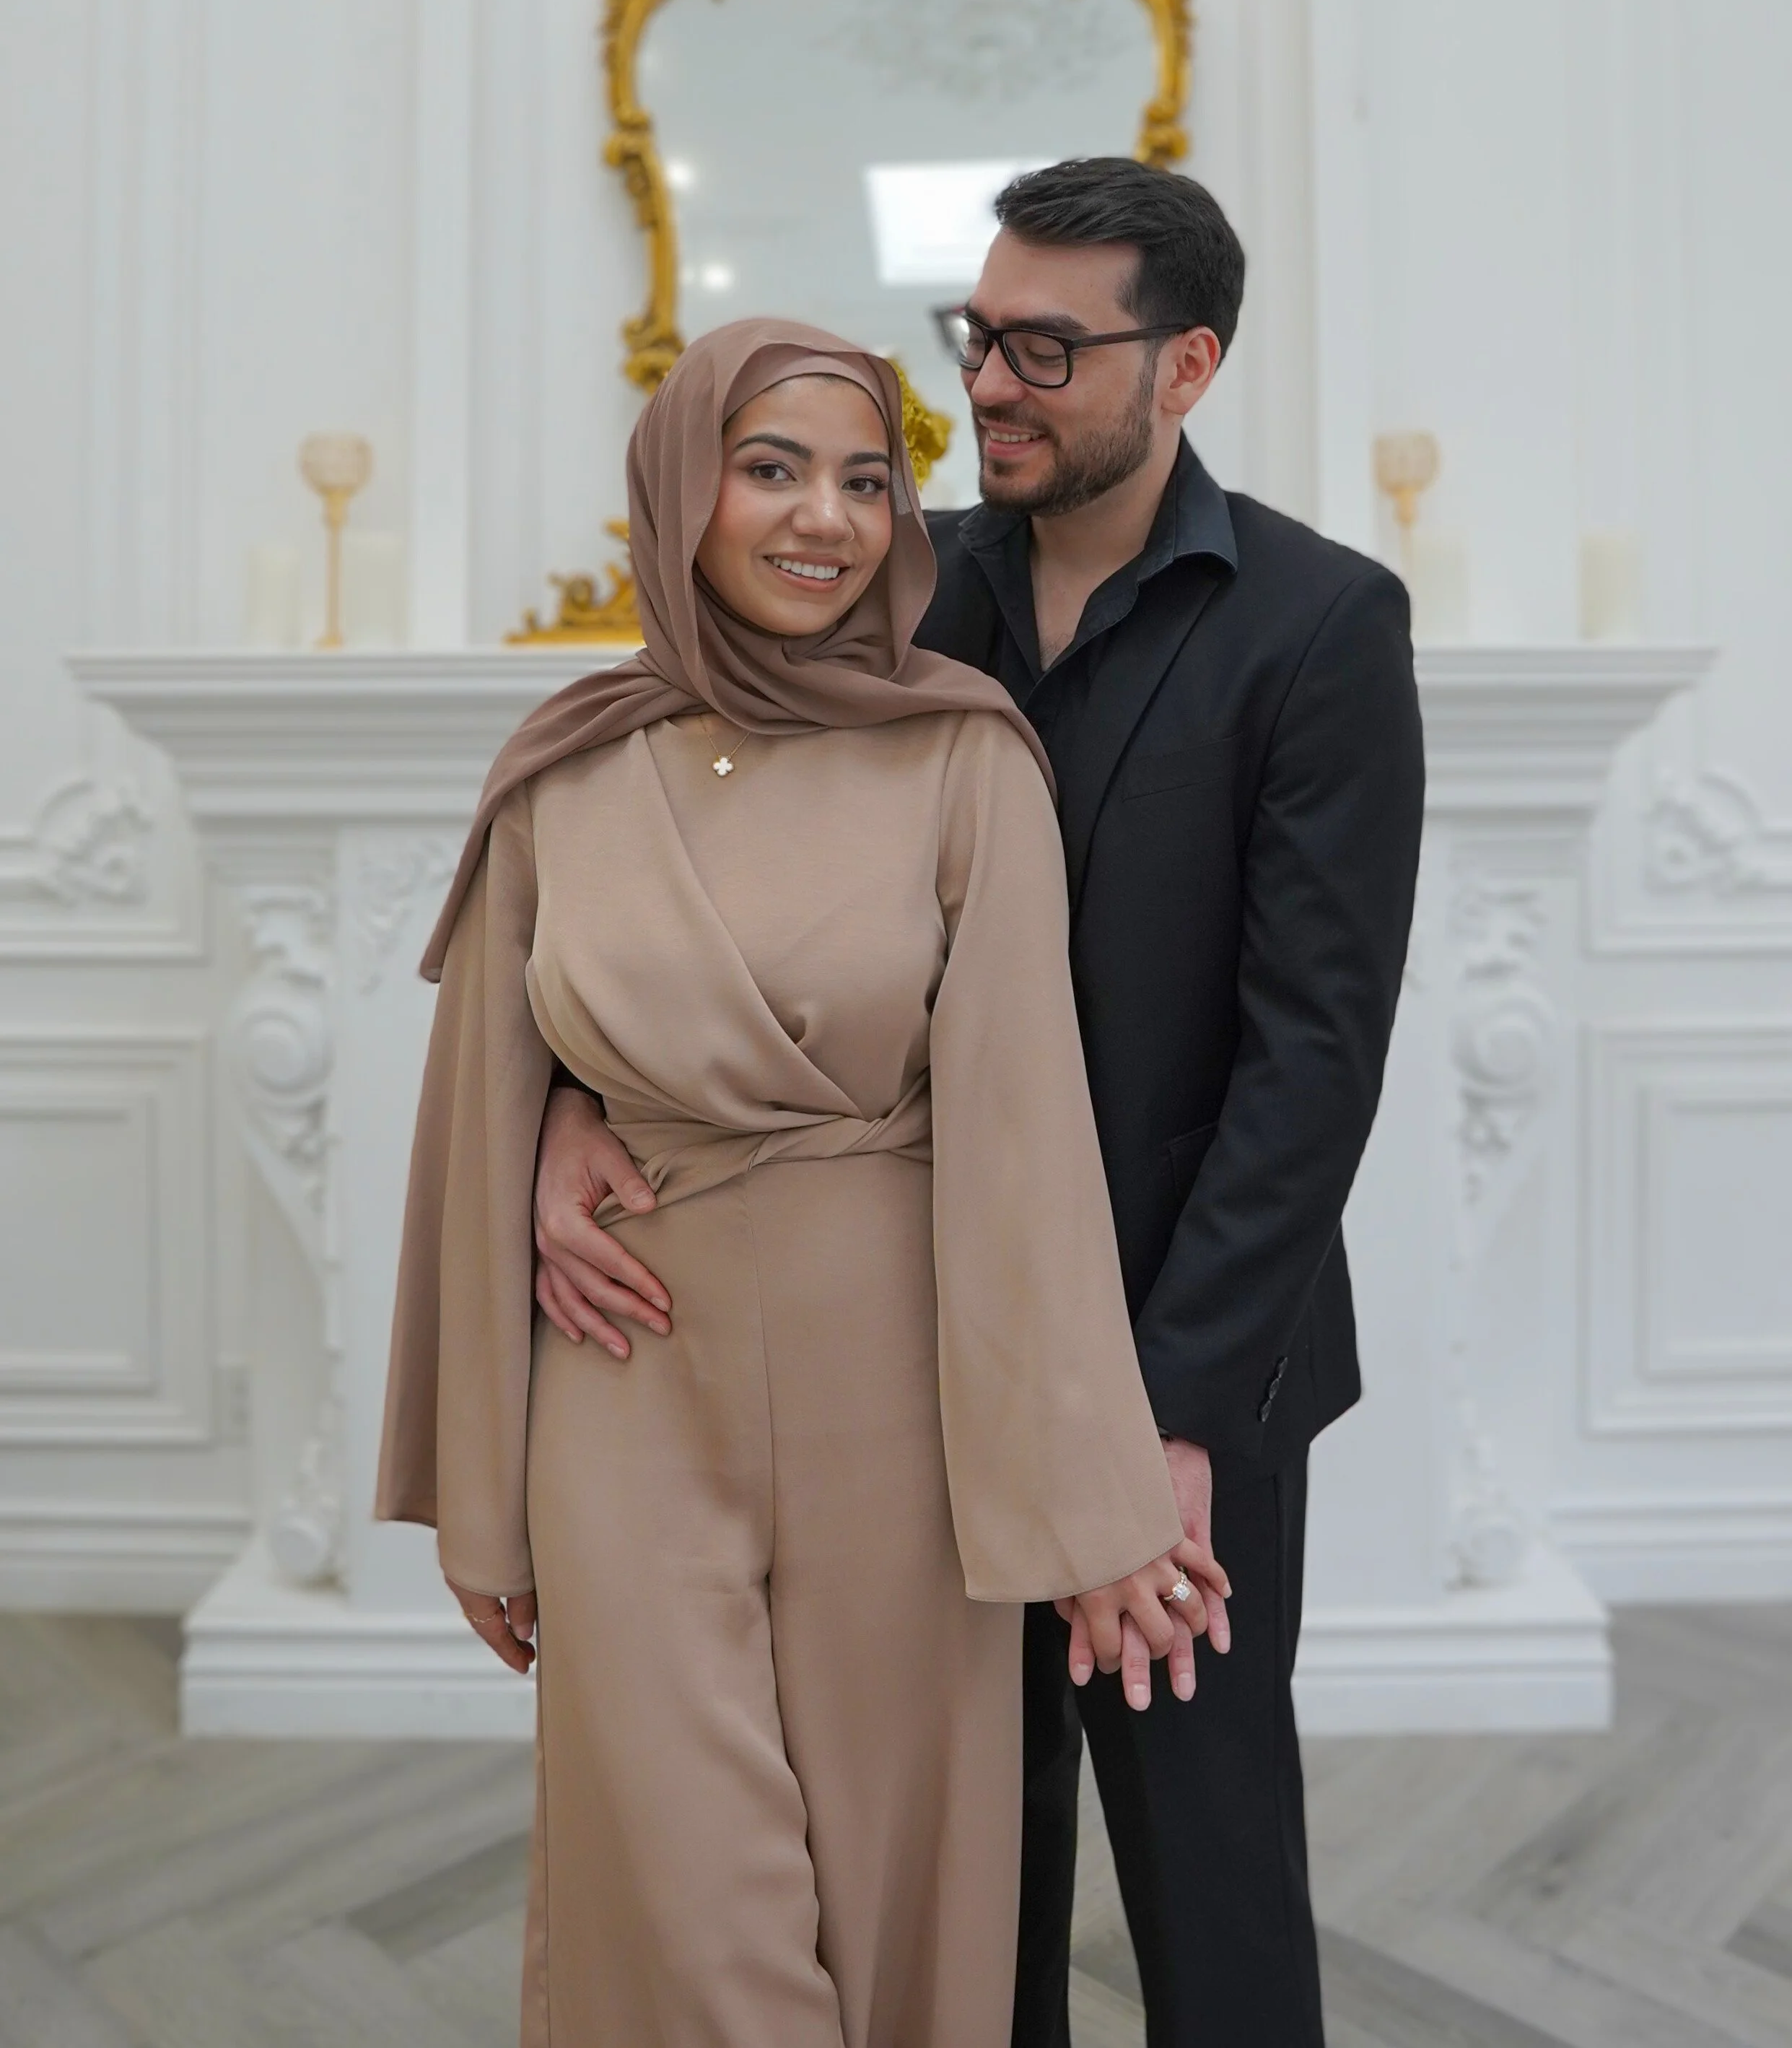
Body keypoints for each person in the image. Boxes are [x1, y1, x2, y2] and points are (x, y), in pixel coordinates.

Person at [533, 163, 1426, 2048]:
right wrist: (561, 1112)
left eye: (1045, 343)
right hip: (908, 1351)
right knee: (945, 1868)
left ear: (1182, 366)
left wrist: (1159, 1422)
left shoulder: (1321, 626)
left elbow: (1311, 1058)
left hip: (1186, 1366)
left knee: (1208, 1863)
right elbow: (669, 841)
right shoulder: (893, 579)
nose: (991, 381)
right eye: (978, 334)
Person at [376, 316, 1226, 2048]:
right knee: (683, 1912)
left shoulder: (962, 754)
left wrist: (1090, 1499)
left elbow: (1021, 1140)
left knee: (891, 1898)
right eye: (769, 468)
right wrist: (480, 1479)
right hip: (625, 1387)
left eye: (861, 478)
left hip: (895, 1408)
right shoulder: (565, 764)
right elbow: (480, 1102)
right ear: (682, 489)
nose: (820, 518)